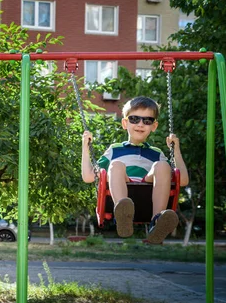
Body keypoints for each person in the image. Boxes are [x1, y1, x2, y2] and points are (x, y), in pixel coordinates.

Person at [81, 96, 189, 244]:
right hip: (124, 184)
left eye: (147, 120)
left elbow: (182, 180)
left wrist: (176, 149)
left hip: (148, 190)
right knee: (116, 165)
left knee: (162, 166)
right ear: (125, 123)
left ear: (154, 126)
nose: (140, 124)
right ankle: (122, 213)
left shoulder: (157, 153)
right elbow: (88, 177)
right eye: (134, 119)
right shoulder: (114, 150)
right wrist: (85, 148)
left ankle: (156, 222)